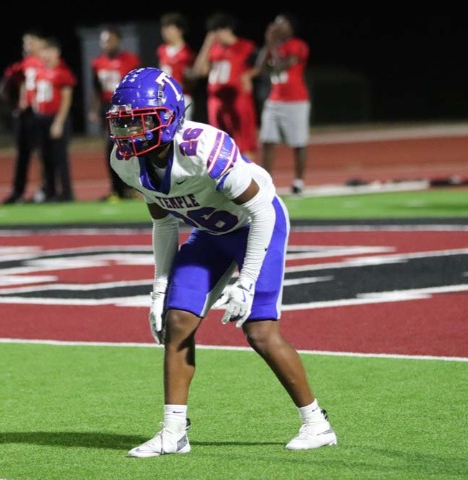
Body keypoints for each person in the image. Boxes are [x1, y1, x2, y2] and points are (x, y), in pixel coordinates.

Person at [106, 67, 337, 457]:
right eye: (123, 123)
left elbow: (262, 211)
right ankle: (174, 433)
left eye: (140, 121)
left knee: (260, 331)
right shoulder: (125, 162)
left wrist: (246, 281)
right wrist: (159, 290)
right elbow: (164, 224)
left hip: (255, 226)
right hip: (209, 232)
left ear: (169, 116)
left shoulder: (202, 148)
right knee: (177, 321)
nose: (129, 132)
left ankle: (317, 424)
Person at [255, 13, 310, 196]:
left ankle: (298, 182)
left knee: (298, 142)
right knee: (267, 140)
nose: (277, 27)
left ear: (291, 28)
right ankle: (266, 181)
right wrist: (268, 44)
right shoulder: (273, 47)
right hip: (274, 99)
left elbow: (280, 67)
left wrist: (272, 44)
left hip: (296, 100)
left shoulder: (298, 45)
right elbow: (260, 69)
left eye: (282, 24)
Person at [192, 12, 259, 160]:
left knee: (244, 143)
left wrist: (248, 75)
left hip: (238, 100)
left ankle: (250, 172)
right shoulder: (213, 49)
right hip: (216, 102)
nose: (215, 36)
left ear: (227, 29)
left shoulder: (246, 46)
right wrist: (206, 46)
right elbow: (199, 71)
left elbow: (261, 66)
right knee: (219, 145)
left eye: (216, 31)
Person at [87, 26, 141, 202]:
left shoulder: (130, 60)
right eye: (103, 41)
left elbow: (137, 86)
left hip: (127, 109)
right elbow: (96, 89)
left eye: (109, 40)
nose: (106, 44)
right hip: (108, 109)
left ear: (118, 40)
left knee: (133, 148)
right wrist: (94, 110)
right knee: (111, 148)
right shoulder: (97, 63)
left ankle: (134, 188)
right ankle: (116, 189)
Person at [0, 29, 46, 204]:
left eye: (32, 42)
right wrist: (15, 105)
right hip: (26, 114)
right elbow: (5, 87)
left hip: (41, 112)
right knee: (23, 154)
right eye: (26, 43)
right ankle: (18, 191)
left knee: (43, 153)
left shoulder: (46, 62)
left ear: (41, 43)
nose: (28, 46)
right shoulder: (23, 65)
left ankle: (45, 189)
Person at [33, 36, 77, 202]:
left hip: (56, 118)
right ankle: (50, 192)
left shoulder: (63, 72)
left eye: (49, 51)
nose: (46, 55)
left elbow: (66, 99)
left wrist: (58, 122)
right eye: (44, 51)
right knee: (45, 158)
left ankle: (66, 193)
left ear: (57, 52)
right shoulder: (40, 71)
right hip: (41, 118)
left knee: (60, 158)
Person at [156, 12, 197, 121]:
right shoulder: (162, 50)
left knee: (181, 127)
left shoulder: (187, 53)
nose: (165, 31)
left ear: (180, 30)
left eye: (169, 28)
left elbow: (192, 79)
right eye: (164, 28)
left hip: (182, 96)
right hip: (164, 97)